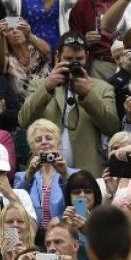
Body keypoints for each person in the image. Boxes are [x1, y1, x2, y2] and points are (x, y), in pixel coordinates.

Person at [17, 32, 119, 178]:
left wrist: (88, 95)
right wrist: (47, 87)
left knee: (81, 203)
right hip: (46, 173)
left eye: (79, 59)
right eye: (68, 59)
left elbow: (112, 128)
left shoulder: (102, 88)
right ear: (57, 56)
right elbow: (23, 120)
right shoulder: (39, 85)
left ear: (87, 57)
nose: (73, 63)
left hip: (86, 176)